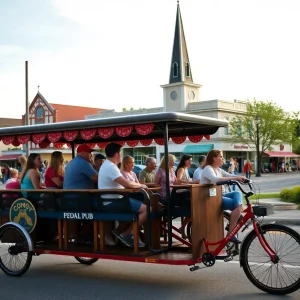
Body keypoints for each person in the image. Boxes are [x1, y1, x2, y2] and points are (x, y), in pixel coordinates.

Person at [98, 143, 149, 248]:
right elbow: (127, 184)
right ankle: (128, 234)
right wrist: (142, 185)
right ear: (117, 154)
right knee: (148, 209)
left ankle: (119, 233)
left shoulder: (108, 165)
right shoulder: (111, 167)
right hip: (114, 201)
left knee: (139, 207)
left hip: (115, 199)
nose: (121, 155)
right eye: (121, 153)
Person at [200, 149, 247, 244]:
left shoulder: (218, 169)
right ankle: (231, 233)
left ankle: (236, 216)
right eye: (221, 157)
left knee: (237, 194)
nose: (223, 159)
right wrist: (236, 178)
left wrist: (242, 178)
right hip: (210, 198)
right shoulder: (208, 168)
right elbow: (216, 179)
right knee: (237, 207)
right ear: (214, 158)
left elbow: (229, 175)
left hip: (218, 195)